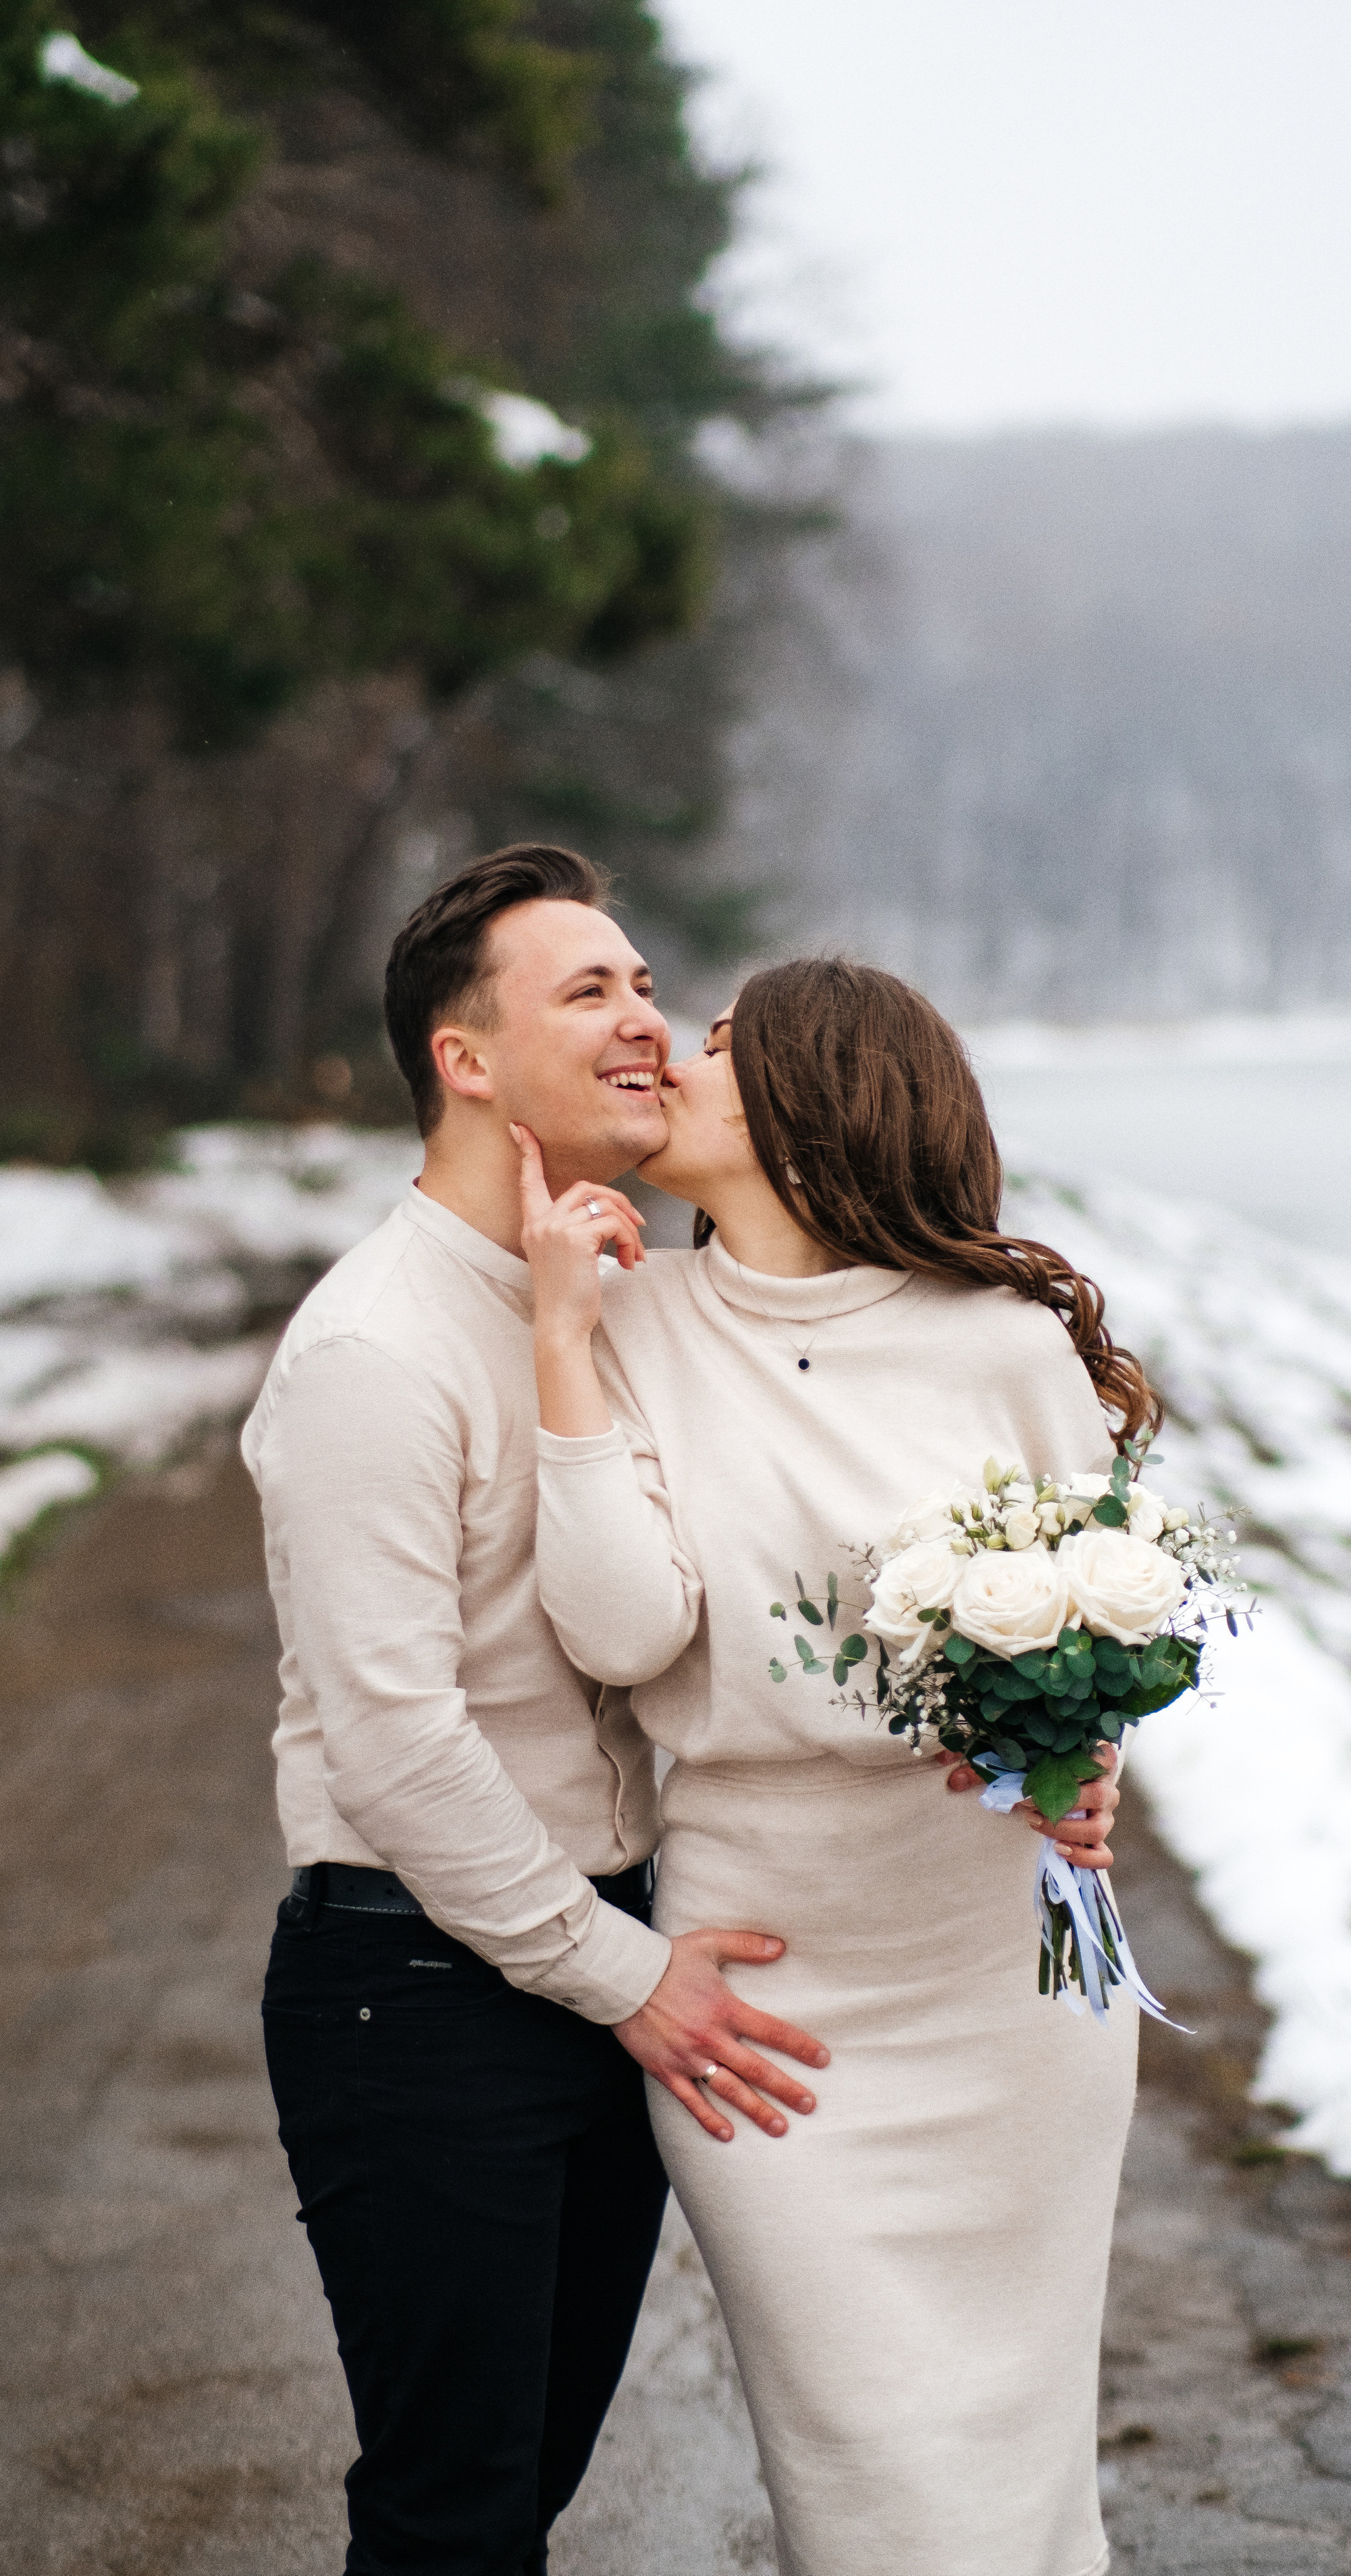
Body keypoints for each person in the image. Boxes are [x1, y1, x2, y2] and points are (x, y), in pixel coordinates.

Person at [515, 955, 1153, 2576]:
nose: (673, 1057)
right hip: (773, 2010)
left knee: (1016, 2478)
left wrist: (1089, 1761)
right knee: (865, 2475)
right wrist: (562, 1351)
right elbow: (618, 1632)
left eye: (722, 1044)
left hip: (1005, 1990)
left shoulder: (1003, 1346)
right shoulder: (628, 1317)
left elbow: (1104, 1620)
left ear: (818, 1098)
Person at [242, 844, 835, 2576]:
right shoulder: (373, 1351)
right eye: (590, 991)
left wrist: (1044, 1750)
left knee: (527, 2488)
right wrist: (627, 1981)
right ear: (467, 1060)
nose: (646, 1019)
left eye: (646, 984)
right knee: (455, 2515)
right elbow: (394, 1742)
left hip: (597, 1964)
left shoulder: (613, 1294)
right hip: (418, 1995)